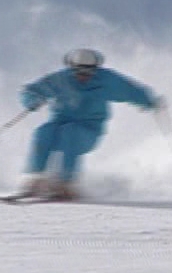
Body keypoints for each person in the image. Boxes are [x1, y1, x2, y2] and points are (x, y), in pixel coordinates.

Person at [18, 48, 163, 200]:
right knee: (42, 132)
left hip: (88, 130)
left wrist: (150, 101)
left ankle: (66, 185)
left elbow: (131, 90)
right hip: (58, 125)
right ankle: (35, 180)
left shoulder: (106, 80)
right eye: (78, 72)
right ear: (71, 68)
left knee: (70, 133)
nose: (83, 77)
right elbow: (30, 90)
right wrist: (32, 100)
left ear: (95, 69)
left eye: (88, 73)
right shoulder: (60, 80)